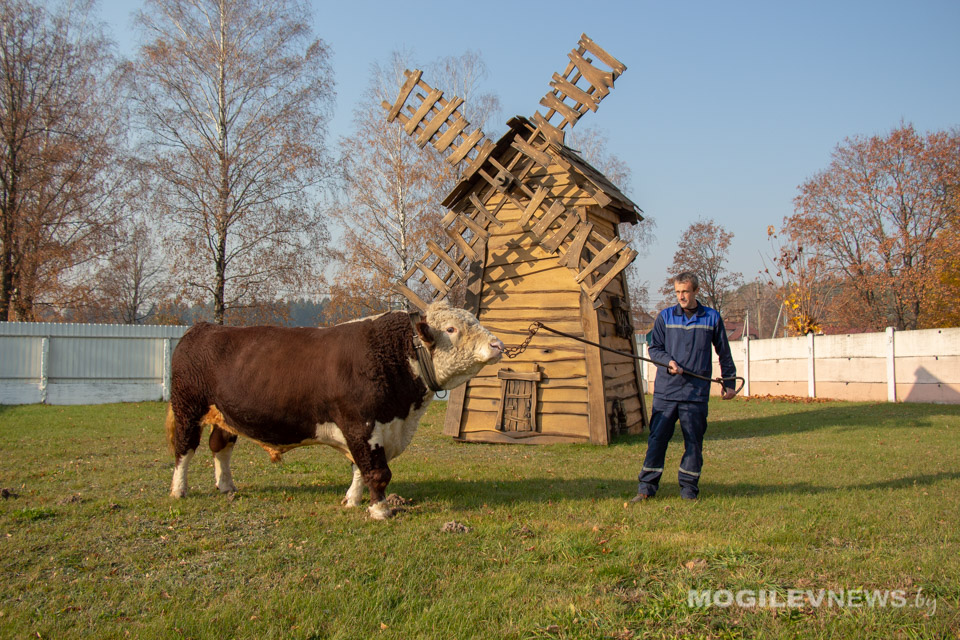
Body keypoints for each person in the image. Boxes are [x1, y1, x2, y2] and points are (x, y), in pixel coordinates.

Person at [632, 271, 737, 502]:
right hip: (666, 392)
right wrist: (667, 362)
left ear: (696, 291)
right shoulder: (665, 317)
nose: (681, 296)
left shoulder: (711, 318)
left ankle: (689, 490)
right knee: (657, 440)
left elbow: (724, 353)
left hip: (695, 393)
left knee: (693, 443)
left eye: (685, 291)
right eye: (678, 292)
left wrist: (729, 382)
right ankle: (646, 488)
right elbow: (655, 348)